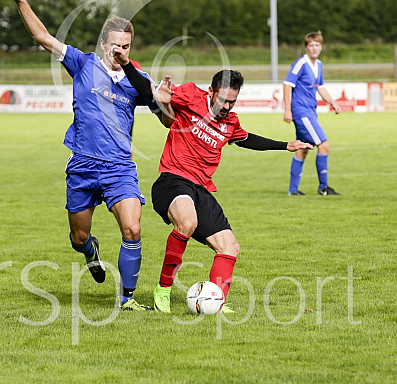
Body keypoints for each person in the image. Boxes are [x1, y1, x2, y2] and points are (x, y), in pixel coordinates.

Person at [0, 0, 164, 311]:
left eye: (126, 47)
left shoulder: (138, 78)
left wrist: (162, 101)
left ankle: (127, 299)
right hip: (83, 166)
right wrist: (21, 1)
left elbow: (167, 121)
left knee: (132, 227)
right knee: (78, 239)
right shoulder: (82, 63)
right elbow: (43, 37)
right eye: (115, 45)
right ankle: (92, 252)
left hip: (119, 168)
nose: (120, 52)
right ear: (103, 44)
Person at [115, 63, 312, 313]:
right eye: (223, 100)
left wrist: (286, 145)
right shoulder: (190, 95)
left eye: (233, 101)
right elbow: (150, 89)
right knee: (186, 222)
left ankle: (216, 301)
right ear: (211, 91)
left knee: (229, 246)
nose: (227, 106)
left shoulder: (230, 121)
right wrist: (128, 67)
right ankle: (162, 290)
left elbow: (247, 139)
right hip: (172, 181)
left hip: (201, 189)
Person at [283, 31, 341, 196]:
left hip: (310, 111)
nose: (314, 48)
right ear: (306, 47)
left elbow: (320, 87)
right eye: (311, 45)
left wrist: (333, 103)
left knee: (302, 149)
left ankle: (292, 191)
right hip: (301, 112)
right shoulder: (301, 63)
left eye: (317, 45)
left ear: (321, 47)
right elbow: (287, 85)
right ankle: (323, 188)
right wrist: (288, 109)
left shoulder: (319, 65)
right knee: (324, 145)